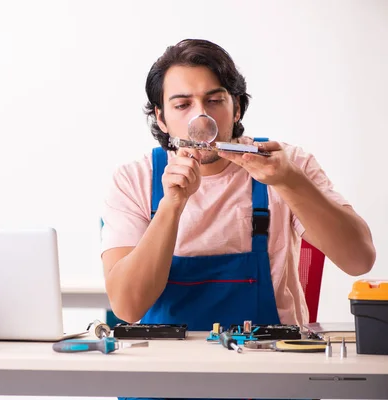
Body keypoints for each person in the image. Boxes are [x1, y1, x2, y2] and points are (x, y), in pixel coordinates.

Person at [100, 38, 376, 333]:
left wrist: (290, 182)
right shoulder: (134, 180)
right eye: (182, 105)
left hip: (269, 357)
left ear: (237, 108)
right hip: (169, 364)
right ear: (161, 118)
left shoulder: (287, 164)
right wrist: (171, 207)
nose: (200, 119)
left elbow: (359, 260)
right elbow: (127, 307)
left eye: (214, 101)